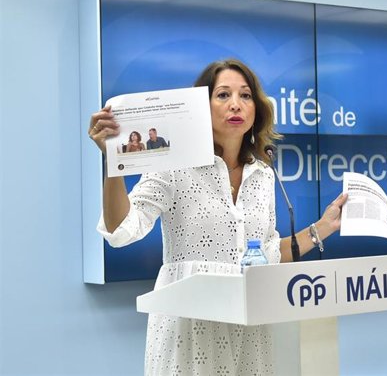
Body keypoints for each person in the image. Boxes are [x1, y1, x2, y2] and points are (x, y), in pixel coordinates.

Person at [87, 58, 347, 376]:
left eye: (246, 95)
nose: (235, 104)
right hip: (190, 329)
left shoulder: (263, 174)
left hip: (249, 327)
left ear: (257, 108)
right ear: (201, 106)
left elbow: (265, 254)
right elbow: (121, 230)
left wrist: (324, 225)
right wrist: (114, 163)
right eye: (223, 95)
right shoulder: (174, 166)